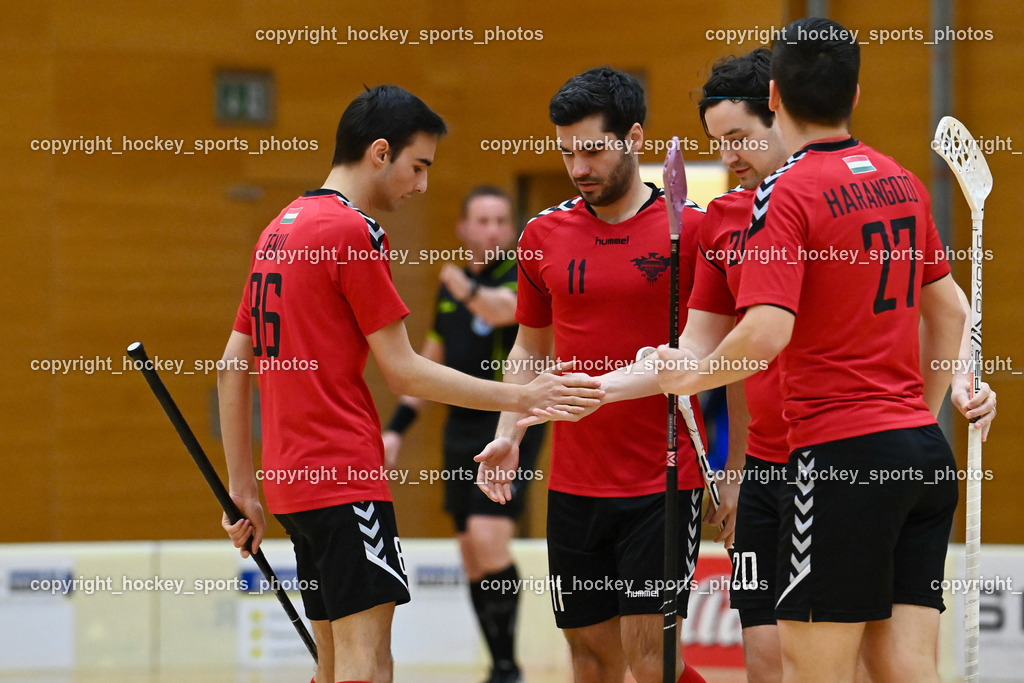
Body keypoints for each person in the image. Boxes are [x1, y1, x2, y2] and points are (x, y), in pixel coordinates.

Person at [216, 85, 603, 683]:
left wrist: (244, 487)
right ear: (379, 153)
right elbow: (404, 369)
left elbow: (230, 365)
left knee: (336, 666)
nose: (421, 184)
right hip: (344, 478)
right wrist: (521, 395)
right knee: (366, 667)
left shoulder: (278, 230)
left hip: (290, 482)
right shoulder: (353, 230)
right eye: (417, 166)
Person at [653, 18, 972, 681]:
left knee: (813, 669)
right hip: (921, 453)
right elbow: (952, 313)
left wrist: (693, 378)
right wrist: (919, 412)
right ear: (855, 94)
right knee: (903, 665)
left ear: (773, 96)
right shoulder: (902, 180)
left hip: (834, 458)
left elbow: (767, 332)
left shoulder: (788, 190)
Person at [474, 67, 710, 683]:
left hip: (662, 480)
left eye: (593, 149)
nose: (578, 166)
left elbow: (721, 357)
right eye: (567, 151)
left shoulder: (691, 231)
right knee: (589, 660)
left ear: (634, 138)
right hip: (575, 483)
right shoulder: (543, 235)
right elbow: (529, 347)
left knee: (651, 658)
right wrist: (510, 430)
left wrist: (729, 473)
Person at [382, 185, 546, 683]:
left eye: (502, 221)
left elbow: (502, 311)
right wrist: (394, 431)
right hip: (460, 428)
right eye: (483, 221)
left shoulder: (520, 273)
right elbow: (428, 364)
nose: (494, 230)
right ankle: (498, 663)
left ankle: (508, 667)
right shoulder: (449, 295)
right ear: (463, 228)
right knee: (471, 554)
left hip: (510, 425)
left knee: (488, 538)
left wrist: (462, 285)